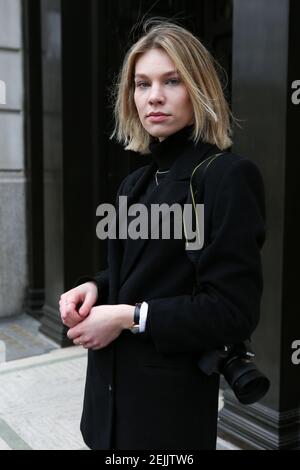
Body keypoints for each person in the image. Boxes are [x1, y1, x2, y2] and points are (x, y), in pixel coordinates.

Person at [59, 20, 266, 450]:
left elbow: (232, 310)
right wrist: (94, 287)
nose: (153, 96)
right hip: (106, 406)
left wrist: (125, 317)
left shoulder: (227, 178)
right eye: (141, 83)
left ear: (199, 89)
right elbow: (135, 270)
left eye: (171, 81)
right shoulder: (134, 184)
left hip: (167, 415)